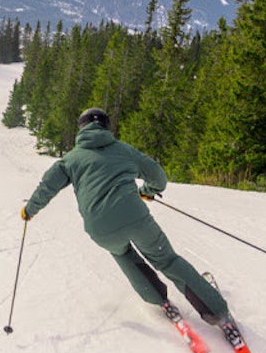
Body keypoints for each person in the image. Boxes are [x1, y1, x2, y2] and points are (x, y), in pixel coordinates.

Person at [21, 107, 230, 325]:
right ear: (106, 127)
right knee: (166, 260)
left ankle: (156, 297)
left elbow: (47, 187)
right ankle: (214, 310)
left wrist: (29, 211)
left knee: (123, 254)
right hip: (135, 217)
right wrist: (147, 191)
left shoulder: (70, 159)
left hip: (100, 228)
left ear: (81, 129)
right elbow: (158, 176)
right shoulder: (124, 150)